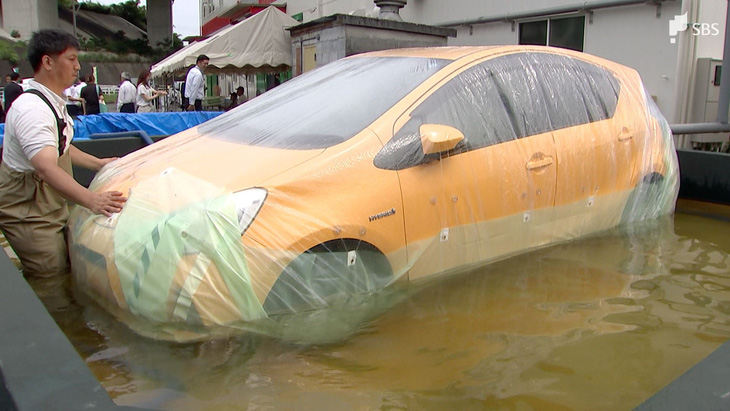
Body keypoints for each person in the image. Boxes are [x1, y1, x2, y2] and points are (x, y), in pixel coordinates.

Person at [0, 29, 126, 279]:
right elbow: (46, 168)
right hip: (30, 208)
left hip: (50, 200)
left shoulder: (52, 102)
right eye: (71, 58)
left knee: (67, 260)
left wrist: (98, 163)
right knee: (50, 272)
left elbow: (62, 146)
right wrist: (92, 201)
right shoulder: (32, 110)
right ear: (47, 62)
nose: (78, 66)